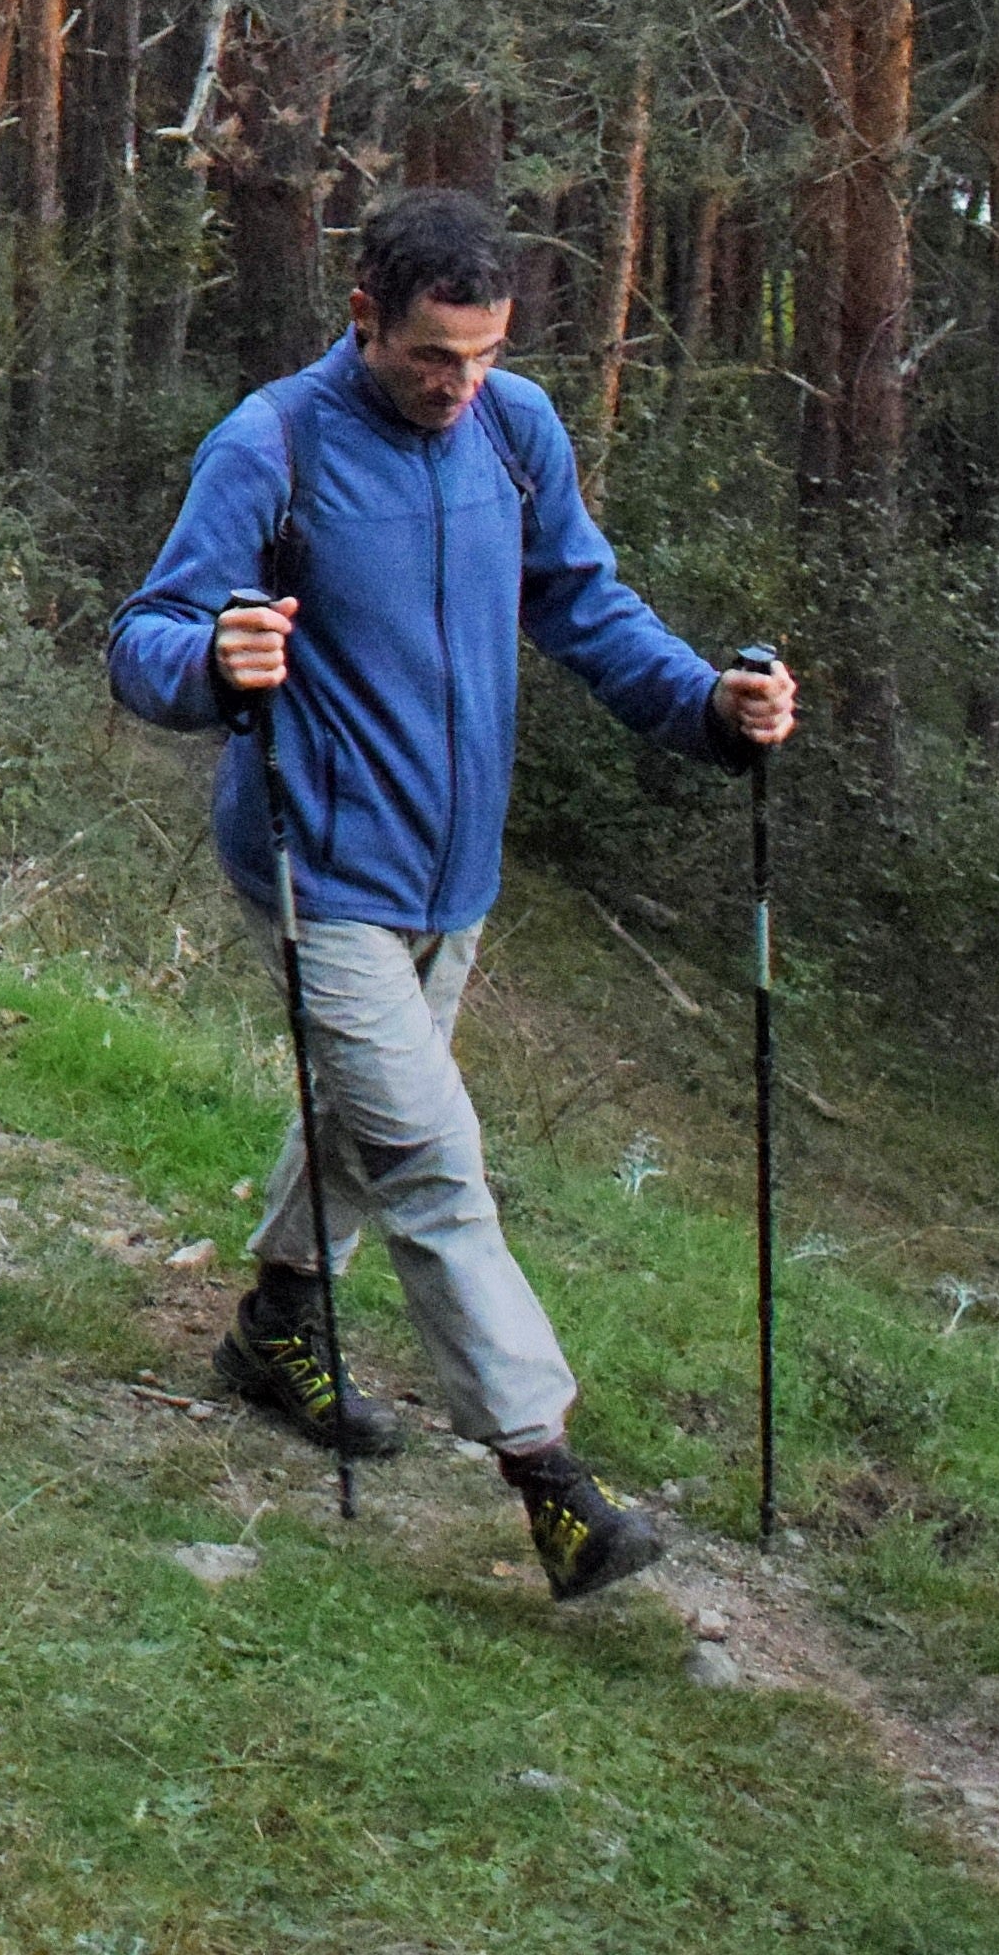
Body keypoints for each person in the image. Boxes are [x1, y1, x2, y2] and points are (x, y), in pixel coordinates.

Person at [107, 185, 801, 1606]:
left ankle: (279, 1324)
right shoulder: (273, 445)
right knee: (429, 1150)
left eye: (484, 354)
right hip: (317, 865)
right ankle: (550, 1479)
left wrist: (708, 708)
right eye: (434, 355)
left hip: (455, 867)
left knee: (370, 1110)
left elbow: (586, 605)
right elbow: (144, 636)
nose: (460, 384)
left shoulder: (514, 430)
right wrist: (212, 661)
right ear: (364, 314)